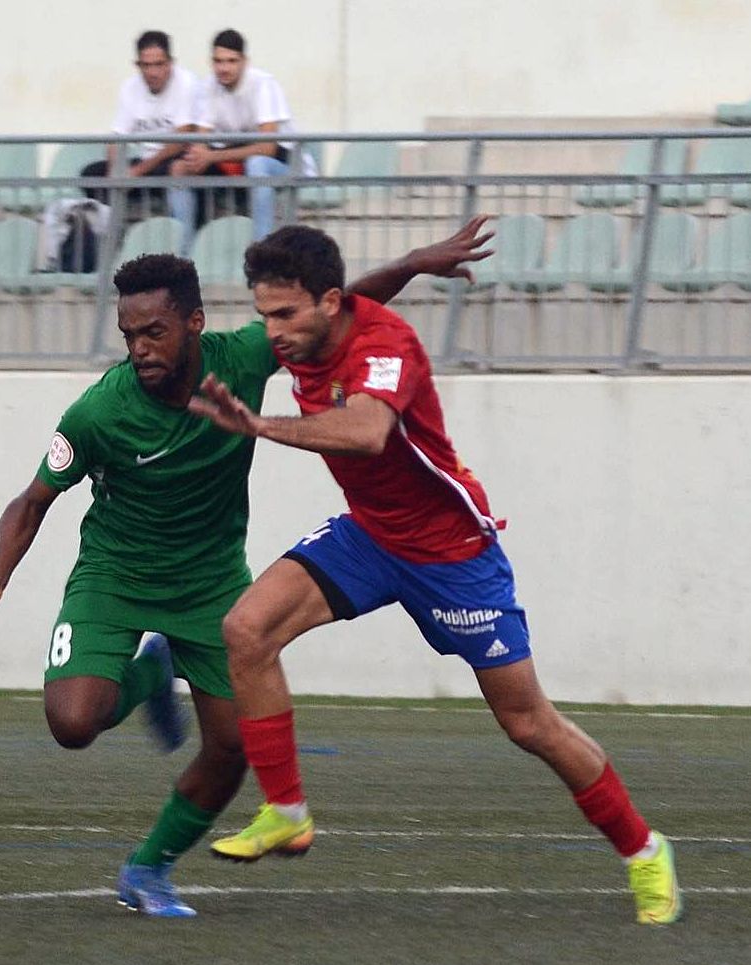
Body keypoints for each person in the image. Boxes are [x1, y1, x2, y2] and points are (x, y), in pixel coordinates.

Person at [0, 219, 494, 918]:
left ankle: (148, 871)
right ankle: (147, 672)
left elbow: (339, 300)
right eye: (129, 335)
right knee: (72, 722)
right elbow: (33, 499)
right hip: (116, 577)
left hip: (210, 582)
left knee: (235, 748)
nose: (140, 348)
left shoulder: (240, 357)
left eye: (155, 332)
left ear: (194, 322)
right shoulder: (99, 411)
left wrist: (417, 260)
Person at [188, 224, 682, 926]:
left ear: (327, 303)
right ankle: (287, 810)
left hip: (452, 556)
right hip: (369, 535)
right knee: (246, 628)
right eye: (264, 313)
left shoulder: (386, 345)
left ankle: (644, 851)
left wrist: (260, 426)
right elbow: (354, 295)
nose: (271, 332)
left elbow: (366, 432)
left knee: (528, 723)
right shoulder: (311, 326)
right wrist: (414, 261)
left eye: (285, 315)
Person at [166, 29, 315, 252]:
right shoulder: (207, 87)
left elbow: (268, 146)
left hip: (283, 162)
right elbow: (201, 140)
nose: (224, 68)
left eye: (231, 61)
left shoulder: (263, 84)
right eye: (218, 61)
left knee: (257, 164)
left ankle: (261, 252)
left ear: (244, 62)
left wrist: (211, 155)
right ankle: (181, 257)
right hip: (237, 159)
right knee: (179, 169)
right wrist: (195, 158)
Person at [80, 31, 197, 211]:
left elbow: (182, 139)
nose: (153, 72)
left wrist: (137, 171)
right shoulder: (130, 87)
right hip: (145, 164)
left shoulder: (186, 82)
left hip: (170, 161)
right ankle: (115, 230)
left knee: (176, 168)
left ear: (170, 63)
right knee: (90, 174)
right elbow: (117, 137)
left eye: (159, 65)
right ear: (137, 65)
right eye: (146, 66)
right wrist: (115, 170)